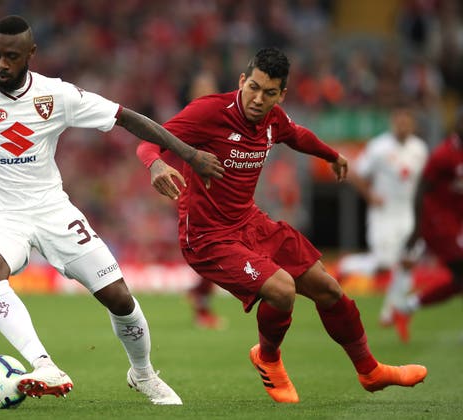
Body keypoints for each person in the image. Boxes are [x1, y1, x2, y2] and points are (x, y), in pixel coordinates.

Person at [0, 15, 224, 405]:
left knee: (119, 298)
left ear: (31, 54)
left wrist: (188, 154)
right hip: (1, 218)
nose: (2, 65)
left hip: (53, 211)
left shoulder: (57, 95)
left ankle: (144, 374)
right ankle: (43, 364)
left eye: (11, 57)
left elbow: (126, 118)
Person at [136, 47, 427, 403]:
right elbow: (152, 137)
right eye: (253, 87)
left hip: (250, 223)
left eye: (269, 93)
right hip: (207, 237)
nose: (258, 99)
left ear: (281, 95)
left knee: (329, 289)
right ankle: (268, 357)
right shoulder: (210, 111)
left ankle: (370, 369)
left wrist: (330, 154)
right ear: (242, 80)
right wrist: (156, 165)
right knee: (282, 289)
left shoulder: (274, 119)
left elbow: (297, 134)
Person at [343, 106, 428, 326]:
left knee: (407, 263)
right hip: (383, 214)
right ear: (393, 123)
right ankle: (346, 265)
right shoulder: (379, 147)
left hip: (408, 214)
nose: (403, 126)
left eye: (407, 123)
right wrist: (370, 195)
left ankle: (390, 313)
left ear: (413, 125)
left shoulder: (420, 149)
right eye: (399, 122)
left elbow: (424, 184)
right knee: (385, 262)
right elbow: (355, 173)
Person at [392, 107, 463, 342]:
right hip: (439, 224)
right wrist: (417, 228)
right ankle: (406, 307)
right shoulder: (443, 154)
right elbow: (421, 189)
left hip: (455, 222)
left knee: (459, 281)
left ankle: (407, 307)